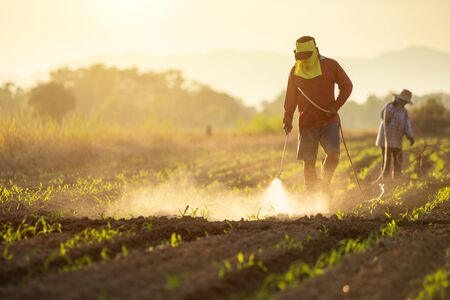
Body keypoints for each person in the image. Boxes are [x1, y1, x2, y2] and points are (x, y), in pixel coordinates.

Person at [283, 36, 353, 194]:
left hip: (329, 120)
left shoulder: (330, 65)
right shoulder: (295, 71)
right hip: (306, 123)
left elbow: (347, 86)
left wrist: (335, 106)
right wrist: (287, 118)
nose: (304, 60)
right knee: (308, 162)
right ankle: (311, 196)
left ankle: (325, 184)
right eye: (300, 57)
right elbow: (290, 98)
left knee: (333, 155)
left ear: (315, 51)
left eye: (306, 56)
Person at [375, 89, 415, 179]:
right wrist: (393, 106)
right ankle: (386, 178)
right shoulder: (389, 107)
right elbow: (382, 116)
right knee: (387, 159)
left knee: (398, 159)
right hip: (385, 138)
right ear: (399, 99)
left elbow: (406, 125)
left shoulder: (404, 112)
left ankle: (397, 178)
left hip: (397, 140)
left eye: (406, 102)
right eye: (403, 101)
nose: (404, 103)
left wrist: (410, 136)